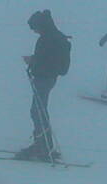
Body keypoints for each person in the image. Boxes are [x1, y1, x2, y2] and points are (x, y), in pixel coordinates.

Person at [15, 10, 70, 161]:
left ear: (41, 25)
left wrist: (32, 61)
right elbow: (47, 58)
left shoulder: (47, 39)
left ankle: (42, 147)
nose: (34, 31)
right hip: (47, 78)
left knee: (38, 112)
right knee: (39, 111)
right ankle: (44, 144)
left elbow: (46, 60)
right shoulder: (53, 37)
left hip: (44, 78)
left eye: (34, 28)